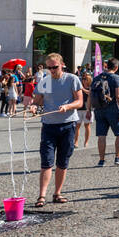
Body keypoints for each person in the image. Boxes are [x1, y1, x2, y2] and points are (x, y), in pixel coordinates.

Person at [31, 54, 85, 207]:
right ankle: (41, 196)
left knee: (62, 161)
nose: (52, 70)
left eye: (55, 67)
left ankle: (57, 193)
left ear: (62, 65)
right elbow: (38, 99)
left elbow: (80, 101)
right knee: (46, 162)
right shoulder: (45, 81)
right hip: (48, 126)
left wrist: (67, 106)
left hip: (68, 125)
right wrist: (34, 106)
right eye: (49, 67)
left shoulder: (72, 79)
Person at [90, 59, 119, 167]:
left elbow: (90, 94)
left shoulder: (97, 78)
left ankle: (101, 160)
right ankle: (118, 157)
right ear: (116, 67)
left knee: (101, 135)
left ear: (107, 66)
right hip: (113, 109)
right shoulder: (117, 78)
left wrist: (89, 109)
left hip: (99, 109)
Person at [73, 71, 93, 150]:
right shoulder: (79, 87)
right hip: (79, 108)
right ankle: (76, 142)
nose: (84, 80)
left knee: (87, 125)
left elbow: (90, 93)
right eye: (83, 78)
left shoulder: (91, 87)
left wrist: (82, 89)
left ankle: (86, 141)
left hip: (88, 109)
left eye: (86, 78)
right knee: (77, 126)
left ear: (89, 79)